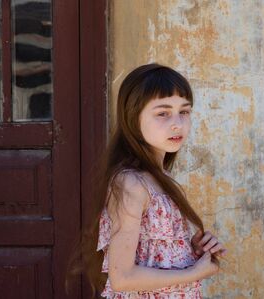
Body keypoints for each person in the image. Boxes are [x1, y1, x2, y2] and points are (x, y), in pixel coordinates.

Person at [72, 63, 227, 298]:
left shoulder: (161, 179)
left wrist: (191, 251)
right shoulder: (131, 184)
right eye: (163, 113)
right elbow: (122, 278)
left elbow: (152, 254)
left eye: (184, 111)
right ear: (133, 118)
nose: (177, 123)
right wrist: (195, 272)